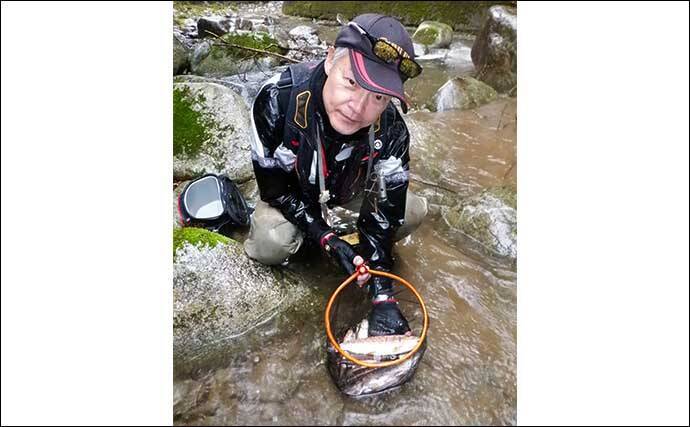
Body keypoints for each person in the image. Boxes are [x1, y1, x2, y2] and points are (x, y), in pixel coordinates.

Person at [244, 14, 427, 336]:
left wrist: (382, 292)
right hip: (293, 192)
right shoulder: (277, 99)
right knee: (271, 244)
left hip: (348, 190)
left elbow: (387, 213)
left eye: (378, 97)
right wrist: (325, 238)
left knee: (412, 212)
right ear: (330, 59)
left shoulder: (393, 129)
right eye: (352, 83)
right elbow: (273, 189)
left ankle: (357, 245)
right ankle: (326, 238)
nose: (358, 107)